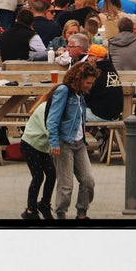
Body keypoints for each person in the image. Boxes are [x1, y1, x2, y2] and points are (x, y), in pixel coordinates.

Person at [47, 59, 98, 220]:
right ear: (79, 79)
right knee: (66, 184)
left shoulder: (80, 94)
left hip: (79, 142)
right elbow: (52, 119)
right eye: (88, 83)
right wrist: (54, 142)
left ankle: (81, 212)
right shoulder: (64, 91)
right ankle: (61, 213)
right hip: (64, 142)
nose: (89, 86)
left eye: (91, 83)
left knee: (88, 180)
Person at [19, 84, 59, 221]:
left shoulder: (56, 109)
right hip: (30, 144)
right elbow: (49, 130)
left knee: (52, 174)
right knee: (38, 176)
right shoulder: (44, 109)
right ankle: (30, 210)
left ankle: (44, 204)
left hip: (41, 147)